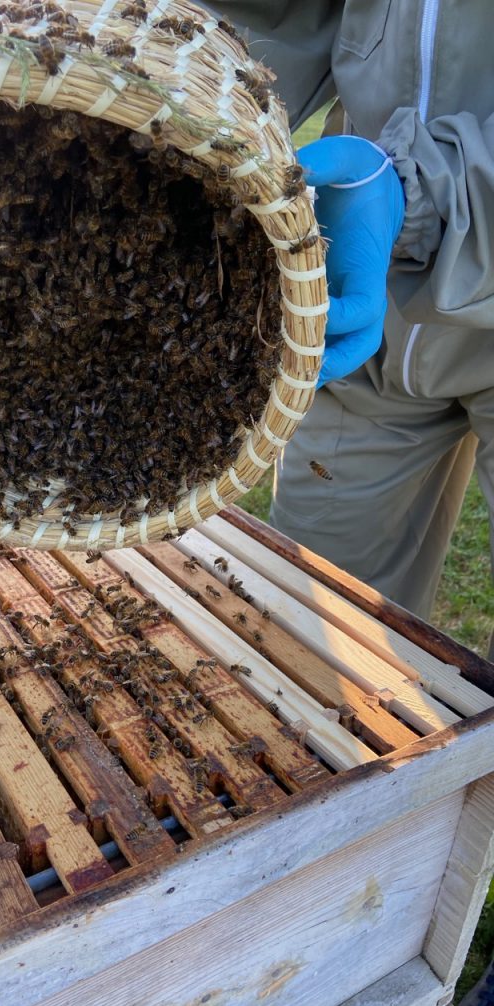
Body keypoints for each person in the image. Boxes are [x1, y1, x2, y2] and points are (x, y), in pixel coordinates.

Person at [205, 0, 494, 661]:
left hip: (404, 218)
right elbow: (277, 18)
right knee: (315, 642)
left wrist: (423, 194)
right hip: (365, 311)